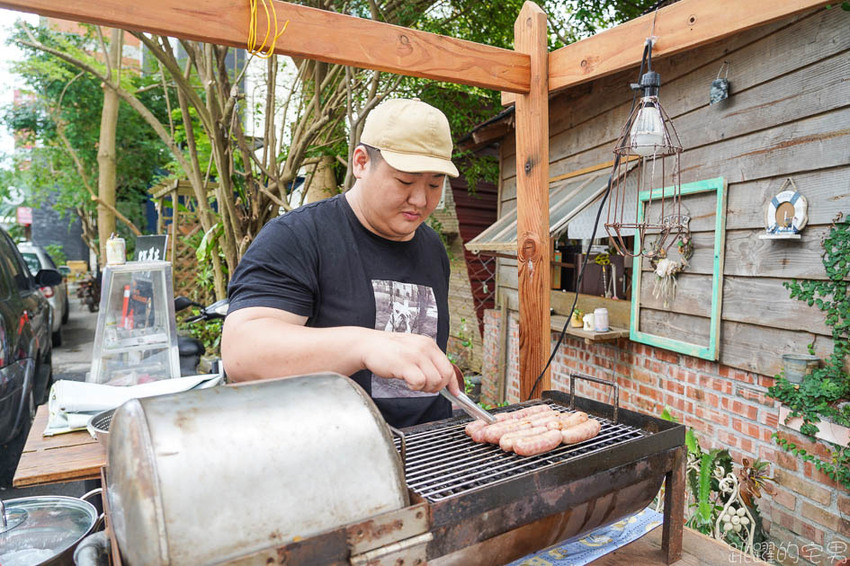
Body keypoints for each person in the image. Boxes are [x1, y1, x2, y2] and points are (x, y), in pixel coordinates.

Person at [222, 98, 462, 428]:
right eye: (406, 181)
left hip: (428, 449)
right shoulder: (296, 237)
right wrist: (366, 344)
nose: (421, 200)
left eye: (435, 183)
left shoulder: (432, 246)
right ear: (361, 163)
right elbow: (242, 351)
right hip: (335, 456)